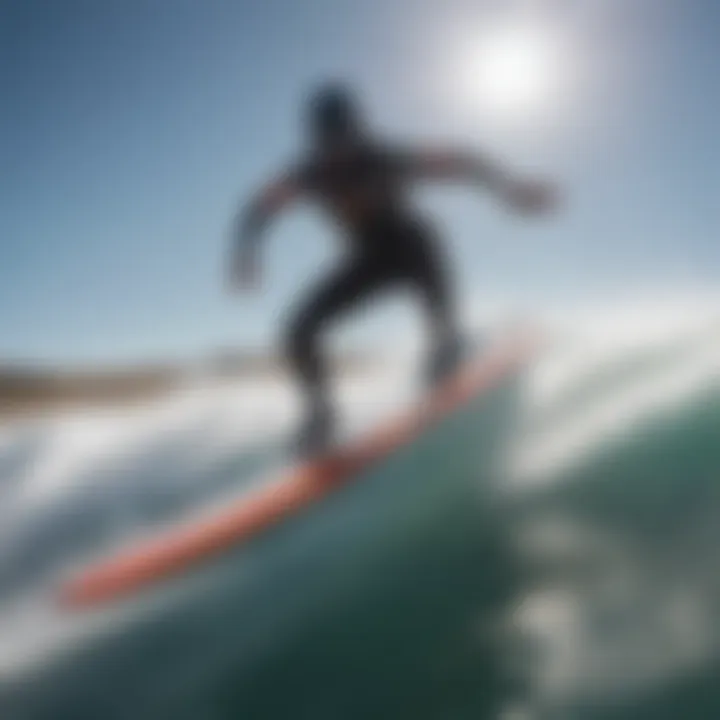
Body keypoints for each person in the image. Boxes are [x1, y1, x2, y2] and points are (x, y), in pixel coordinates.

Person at [228, 83, 556, 455]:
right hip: (367, 261)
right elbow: (258, 209)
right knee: (298, 331)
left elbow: (464, 162)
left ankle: (447, 345)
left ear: (357, 129)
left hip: (414, 251)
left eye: (345, 135)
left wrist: (511, 190)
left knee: (427, 272)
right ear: (315, 139)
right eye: (327, 139)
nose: (337, 148)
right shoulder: (308, 176)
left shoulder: (387, 158)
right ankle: (321, 414)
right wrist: (245, 254)